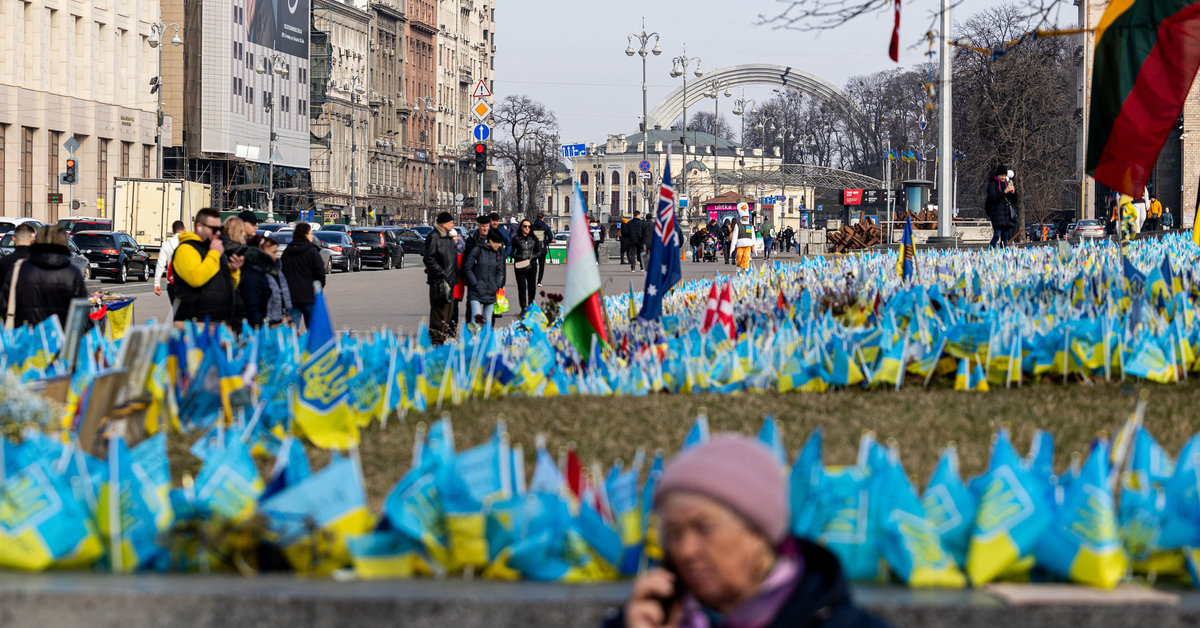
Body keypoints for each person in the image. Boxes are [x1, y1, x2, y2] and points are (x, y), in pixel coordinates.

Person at [604, 435, 890, 628]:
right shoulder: (643, 620)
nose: (686, 551)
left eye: (704, 528)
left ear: (759, 533)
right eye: (674, 534)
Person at [0, 225, 87, 329]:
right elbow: (81, 313)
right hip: (61, 337)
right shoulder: (72, 273)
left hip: (25, 336)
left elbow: (4, 304)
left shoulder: (19, 268)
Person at [170, 207, 244, 325]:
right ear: (199, 227)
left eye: (220, 228)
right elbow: (196, 278)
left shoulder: (214, 249)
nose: (218, 233)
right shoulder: (186, 249)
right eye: (214, 229)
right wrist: (214, 254)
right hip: (195, 323)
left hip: (218, 322)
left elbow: (230, 286)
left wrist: (233, 270)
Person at [280, 222, 326, 330]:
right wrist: (318, 289)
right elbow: (320, 273)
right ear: (305, 235)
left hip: (291, 297)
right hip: (309, 296)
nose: (312, 236)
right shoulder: (312, 251)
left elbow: (282, 273)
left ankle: (293, 346)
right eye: (310, 233)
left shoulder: (287, 251)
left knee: (291, 331)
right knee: (313, 331)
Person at [239, 235, 292, 328]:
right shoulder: (253, 275)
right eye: (274, 252)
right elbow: (252, 308)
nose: (276, 257)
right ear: (261, 252)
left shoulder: (275, 272)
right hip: (264, 329)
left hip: (277, 324)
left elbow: (282, 299)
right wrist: (264, 327)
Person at [423, 212, 459, 345]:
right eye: (450, 222)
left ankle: (442, 341)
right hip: (439, 282)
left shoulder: (448, 238)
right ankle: (436, 343)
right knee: (439, 314)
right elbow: (429, 258)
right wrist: (441, 273)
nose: (452, 224)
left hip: (450, 281)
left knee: (447, 316)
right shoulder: (434, 237)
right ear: (443, 224)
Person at [463, 229, 506, 328]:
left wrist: (497, 285)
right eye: (497, 242)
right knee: (476, 319)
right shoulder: (477, 250)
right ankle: (475, 341)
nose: (499, 245)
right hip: (476, 291)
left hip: (491, 292)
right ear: (490, 241)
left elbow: (500, 271)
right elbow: (467, 267)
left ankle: (486, 341)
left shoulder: (498, 254)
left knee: (488, 320)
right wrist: (475, 283)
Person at [511, 219, 543, 316]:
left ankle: (530, 306)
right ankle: (523, 307)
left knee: (532, 287)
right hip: (520, 266)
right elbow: (511, 252)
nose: (527, 228)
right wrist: (518, 257)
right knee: (522, 288)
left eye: (529, 226)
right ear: (521, 227)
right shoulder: (516, 238)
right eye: (525, 226)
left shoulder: (534, 238)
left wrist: (533, 257)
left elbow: (539, 251)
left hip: (532, 265)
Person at [153, 220, 186, 301]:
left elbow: (160, 265)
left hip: (172, 283)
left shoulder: (166, 245)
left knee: (176, 310)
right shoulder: (190, 243)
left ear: (172, 231)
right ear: (185, 229)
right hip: (187, 283)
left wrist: (157, 283)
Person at [985, 165, 1018, 247]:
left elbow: (1013, 200)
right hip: (997, 214)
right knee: (997, 234)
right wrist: (1004, 191)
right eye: (1002, 175)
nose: (1003, 177)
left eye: (1005, 175)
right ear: (998, 175)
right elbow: (993, 197)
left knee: (1005, 236)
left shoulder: (1006, 184)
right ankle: (991, 249)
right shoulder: (992, 184)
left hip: (1006, 215)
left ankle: (1003, 251)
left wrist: (1013, 193)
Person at [532, 212, 554, 287]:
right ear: (543, 218)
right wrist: (546, 243)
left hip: (533, 248)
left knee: (533, 265)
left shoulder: (532, 226)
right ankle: (539, 281)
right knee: (541, 266)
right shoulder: (546, 227)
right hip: (542, 248)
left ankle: (532, 280)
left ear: (536, 217)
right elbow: (550, 237)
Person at [732, 205, 755, 271]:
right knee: (739, 255)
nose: (746, 218)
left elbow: (752, 235)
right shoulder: (738, 225)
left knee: (747, 256)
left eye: (747, 217)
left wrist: (754, 246)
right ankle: (738, 265)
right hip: (740, 243)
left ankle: (746, 267)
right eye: (745, 216)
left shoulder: (750, 225)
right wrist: (734, 244)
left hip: (748, 243)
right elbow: (735, 235)